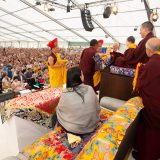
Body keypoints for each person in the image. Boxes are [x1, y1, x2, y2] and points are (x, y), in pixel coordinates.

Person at [133, 38, 160, 160]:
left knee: (151, 132)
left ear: (149, 50)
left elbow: (141, 84)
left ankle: (147, 156)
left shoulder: (152, 63)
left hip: (154, 105)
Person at [56, 67, 100, 135]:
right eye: (82, 74)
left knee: (57, 111)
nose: (84, 76)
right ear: (80, 77)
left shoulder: (66, 93)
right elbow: (97, 108)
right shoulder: (90, 88)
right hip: (92, 126)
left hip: (73, 129)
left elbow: (60, 109)